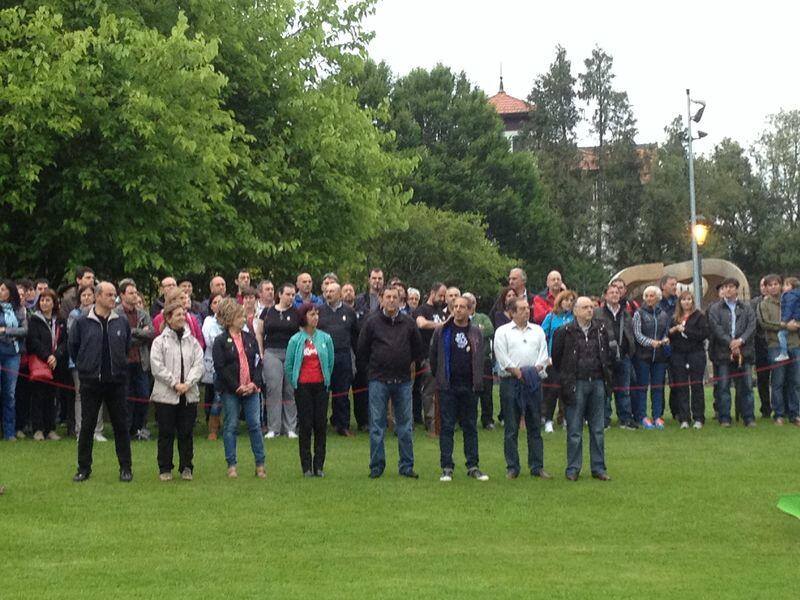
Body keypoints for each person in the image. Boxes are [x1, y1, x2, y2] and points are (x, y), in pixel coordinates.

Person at [357, 287, 424, 479]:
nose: (392, 300)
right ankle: (376, 466)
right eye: (388, 297)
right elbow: (362, 350)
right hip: (378, 380)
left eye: (395, 297)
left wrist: (408, 366)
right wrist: (372, 370)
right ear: (381, 299)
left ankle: (406, 466)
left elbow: (417, 349)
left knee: (405, 426)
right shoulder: (371, 322)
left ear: (400, 300)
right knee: (377, 426)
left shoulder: (409, 323)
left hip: (403, 380)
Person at [69, 282, 133, 483]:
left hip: (116, 382)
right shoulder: (82, 322)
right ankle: (83, 468)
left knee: (121, 425)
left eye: (114, 295)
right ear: (97, 296)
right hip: (91, 381)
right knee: (87, 426)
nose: (113, 298)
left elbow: (126, 347)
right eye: (109, 294)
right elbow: (74, 347)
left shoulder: (121, 322)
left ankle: (125, 467)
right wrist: (85, 366)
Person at [551, 296, 614, 481]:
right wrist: (566, 381)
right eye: (585, 307)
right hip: (576, 383)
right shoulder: (564, 332)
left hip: (597, 382)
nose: (589, 310)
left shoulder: (601, 329)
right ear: (576, 311)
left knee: (597, 429)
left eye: (591, 307)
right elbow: (557, 358)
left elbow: (607, 355)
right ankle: (573, 468)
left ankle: (598, 468)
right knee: (575, 429)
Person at [429, 295, 489, 482]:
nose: (459, 310)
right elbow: (433, 357)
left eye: (463, 307)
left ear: (470, 310)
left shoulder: (476, 333)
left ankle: (473, 465)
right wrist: (440, 377)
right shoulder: (442, 331)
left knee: (470, 426)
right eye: (456, 306)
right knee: (447, 427)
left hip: (470, 387)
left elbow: (481, 358)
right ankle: (447, 466)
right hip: (448, 386)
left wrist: (477, 382)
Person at [493, 297, 551, 480]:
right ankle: (512, 467)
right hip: (511, 382)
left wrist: (534, 371)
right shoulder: (502, 332)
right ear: (512, 312)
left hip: (533, 382)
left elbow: (544, 354)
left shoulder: (538, 331)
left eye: (528, 308)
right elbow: (501, 355)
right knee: (511, 426)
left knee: (535, 425)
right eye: (522, 309)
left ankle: (537, 466)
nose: (527, 311)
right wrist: (518, 372)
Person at [149, 298, 204, 481]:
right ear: (169, 317)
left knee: (186, 432)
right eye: (178, 314)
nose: (183, 317)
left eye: (184, 314)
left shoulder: (192, 342)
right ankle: (165, 467)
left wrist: (188, 383)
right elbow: (157, 367)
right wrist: (174, 383)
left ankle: (186, 466)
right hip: (166, 395)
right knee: (166, 433)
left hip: (188, 395)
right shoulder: (159, 342)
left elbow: (199, 365)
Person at [212, 298, 266, 479]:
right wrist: (236, 387)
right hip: (231, 392)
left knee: (255, 425)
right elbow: (220, 368)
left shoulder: (250, 338)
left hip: (251, 390)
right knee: (231, 425)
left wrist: (254, 384)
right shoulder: (220, 341)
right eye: (239, 316)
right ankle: (232, 465)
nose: (243, 319)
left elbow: (259, 363)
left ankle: (260, 465)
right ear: (229, 318)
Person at [285, 303, 335, 477]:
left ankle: (319, 465)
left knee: (320, 425)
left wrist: (326, 380)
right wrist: (295, 382)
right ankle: (306, 466)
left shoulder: (326, 338)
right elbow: (289, 365)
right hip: (303, 387)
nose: (315, 317)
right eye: (312, 314)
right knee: (306, 426)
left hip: (321, 386)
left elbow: (330, 362)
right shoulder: (295, 340)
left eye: (317, 314)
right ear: (304, 317)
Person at [708, 278, 757, 427]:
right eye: (725, 287)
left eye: (731, 287)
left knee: (747, 386)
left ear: (736, 289)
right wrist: (730, 342)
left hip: (744, 352)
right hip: (723, 353)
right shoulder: (715, 308)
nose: (727, 289)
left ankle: (748, 417)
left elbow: (752, 326)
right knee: (723, 387)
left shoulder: (747, 307)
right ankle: (724, 418)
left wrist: (740, 341)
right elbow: (716, 328)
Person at [756, 274, 800, 425]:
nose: (773, 287)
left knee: (794, 381)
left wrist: (796, 324)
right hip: (775, 346)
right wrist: (785, 326)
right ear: (766, 288)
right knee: (778, 381)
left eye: (776, 284)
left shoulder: (791, 299)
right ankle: (779, 414)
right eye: (770, 285)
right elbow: (765, 323)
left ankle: (794, 414)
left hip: (794, 344)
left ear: (781, 285)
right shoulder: (764, 304)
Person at [26, 289, 69, 441]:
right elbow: (33, 341)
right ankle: (38, 429)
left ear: (54, 303)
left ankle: (50, 428)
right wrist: (47, 356)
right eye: (42, 300)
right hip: (40, 362)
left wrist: (56, 356)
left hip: (56, 363)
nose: (44, 303)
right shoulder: (34, 320)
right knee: (38, 396)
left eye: (48, 300)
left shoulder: (61, 320)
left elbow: (65, 341)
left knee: (52, 396)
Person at [115, 279, 155, 442]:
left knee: (144, 395)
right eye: (131, 293)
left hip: (141, 361)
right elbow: (121, 337)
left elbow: (151, 333)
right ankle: (127, 430)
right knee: (127, 397)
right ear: (122, 295)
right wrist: (139, 333)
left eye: (136, 292)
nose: (134, 295)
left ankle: (140, 428)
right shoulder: (117, 314)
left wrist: (133, 333)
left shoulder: (143, 314)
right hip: (125, 362)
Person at [318, 282, 359, 437]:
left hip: (343, 355)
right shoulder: (319, 311)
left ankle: (343, 425)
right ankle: (320, 424)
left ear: (339, 294)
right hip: (323, 356)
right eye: (327, 291)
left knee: (342, 392)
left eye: (332, 291)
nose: (328, 294)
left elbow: (355, 335)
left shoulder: (349, 312)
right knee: (322, 392)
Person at [594, 284, 636, 429]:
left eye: (617, 292)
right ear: (605, 296)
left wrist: (629, 349)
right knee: (605, 390)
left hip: (623, 356)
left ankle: (625, 418)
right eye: (611, 292)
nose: (614, 295)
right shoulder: (597, 313)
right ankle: (604, 420)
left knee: (624, 389)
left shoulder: (625, 313)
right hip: (604, 356)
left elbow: (630, 333)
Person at [68, 285, 106, 441]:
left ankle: (98, 430)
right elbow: (72, 340)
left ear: (95, 296)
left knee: (100, 395)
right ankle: (81, 430)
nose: (86, 298)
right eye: (83, 295)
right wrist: (80, 360)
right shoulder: (75, 315)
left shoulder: (104, 314)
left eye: (89, 295)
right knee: (80, 396)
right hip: (81, 364)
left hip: (100, 363)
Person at [262, 283, 300, 438]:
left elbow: (301, 333)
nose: (290, 297)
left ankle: (290, 427)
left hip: (291, 353)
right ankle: (273, 428)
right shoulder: (268, 311)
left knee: (290, 389)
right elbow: (259, 332)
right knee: (274, 389)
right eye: (288, 294)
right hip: (272, 352)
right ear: (280, 294)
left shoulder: (297, 313)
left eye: (293, 295)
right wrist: (261, 351)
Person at [668, 291, 710, 429]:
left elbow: (703, 334)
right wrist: (673, 331)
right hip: (679, 355)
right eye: (683, 300)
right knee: (682, 387)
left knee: (697, 386)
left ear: (692, 301)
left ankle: (699, 417)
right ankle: (684, 418)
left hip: (695, 354)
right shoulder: (675, 318)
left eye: (689, 299)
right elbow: (670, 336)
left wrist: (685, 330)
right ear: (680, 302)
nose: (686, 302)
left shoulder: (699, 316)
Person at [632, 286, 671, 430]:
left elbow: (665, 331)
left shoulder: (664, 315)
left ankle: (657, 416)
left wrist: (665, 339)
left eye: (652, 295)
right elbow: (637, 334)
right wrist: (650, 342)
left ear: (658, 297)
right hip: (643, 356)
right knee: (642, 387)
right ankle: (642, 416)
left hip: (659, 357)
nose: (649, 298)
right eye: (646, 296)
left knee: (658, 387)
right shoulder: (639, 313)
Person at [413, 282, 447, 435]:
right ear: (432, 293)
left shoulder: (442, 312)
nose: (442, 298)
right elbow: (421, 323)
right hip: (427, 356)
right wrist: (441, 325)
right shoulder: (421, 309)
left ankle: (442, 421)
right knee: (428, 391)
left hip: (442, 357)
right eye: (440, 295)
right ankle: (431, 423)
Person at [541, 290, 576, 433]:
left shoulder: (575, 318)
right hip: (553, 361)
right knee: (552, 391)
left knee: (568, 391)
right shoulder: (551, 317)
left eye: (571, 300)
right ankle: (548, 420)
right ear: (560, 301)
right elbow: (542, 337)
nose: (569, 303)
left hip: (570, 362)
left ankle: (568, 419)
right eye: (566, 300)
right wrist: (546, 357)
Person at [462, 292, 495, 430]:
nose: (470, 305)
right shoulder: (460, 318)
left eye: (472, 303)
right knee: (469, 392)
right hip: (466, 360)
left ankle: (487, 420)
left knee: (486, 392)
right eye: (467, 303)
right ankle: (468, 419)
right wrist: (477, 330)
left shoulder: (483, 317)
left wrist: (475, 331)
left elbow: (489, 330)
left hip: (483, 359)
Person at [0, 279, 28, 441]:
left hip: (12, 354)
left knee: (9, 393)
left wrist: (6, 330)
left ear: (10, 292)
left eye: (3, 289)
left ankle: (10, 431)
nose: (1, 292)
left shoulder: (19, 310)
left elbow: (24, 330)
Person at [201, 292, 225, 439]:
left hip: (232, 363)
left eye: (221, 301)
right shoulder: (209, 321)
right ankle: (213, 429)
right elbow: (210, 341)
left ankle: (230, 425)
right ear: (211, 306)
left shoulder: (231, 319)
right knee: (217, 396)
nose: (219, 305)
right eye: (215, 302)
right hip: (215, 364)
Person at [751, 277, 772, 417]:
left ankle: (784, 408)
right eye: (762, 285)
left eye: (766, 285)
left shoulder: (781, 302)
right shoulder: (754, 303)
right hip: (760, 346)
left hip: (775, 343)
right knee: (763, 379)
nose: (764, 287)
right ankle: (765, 408)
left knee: (781, 379)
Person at [776, 276, 800, 362]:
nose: (783, 287)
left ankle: (784, 352)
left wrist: (784, 320)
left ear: (791, 287)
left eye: (786, 285)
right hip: (796, 319)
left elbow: (789, 308)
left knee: (781, 334)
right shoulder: (796, 295)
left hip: (793, 319)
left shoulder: (790, 296)